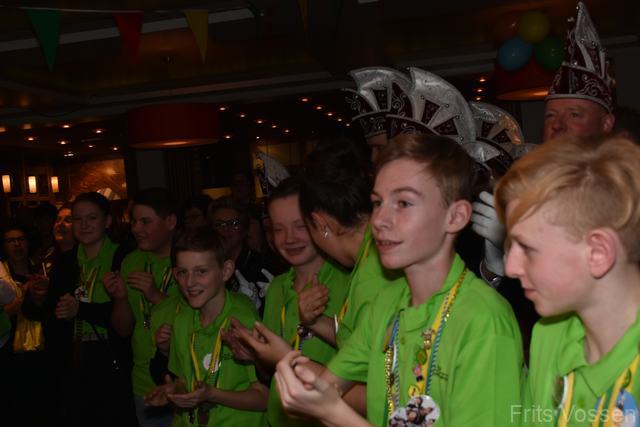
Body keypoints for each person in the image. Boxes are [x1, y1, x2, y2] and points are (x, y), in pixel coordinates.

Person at [274, 134, 524, 426]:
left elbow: (329, 404)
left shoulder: (483, 320)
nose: (379, 220)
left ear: (455, 217)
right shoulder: (387, 305)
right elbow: (324, 387)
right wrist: (297, 379)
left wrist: (334, 413)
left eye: (403, 203)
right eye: (377, 203)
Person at [494, 135, 640, 426]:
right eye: (510, 245)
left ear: (597, 253)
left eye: (527, 248)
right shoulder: (549, 335)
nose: (510, 268)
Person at [473, 1, 616, 282]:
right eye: (551, 115)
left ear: (606, 124)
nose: (557, 125)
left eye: (574, 115)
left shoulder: (626, 190)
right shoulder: (526, 190)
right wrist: (496, 266)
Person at [226, 177, 350, 427]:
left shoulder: (348, 284)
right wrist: (255, 355)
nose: (289, 238)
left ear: (320, 223)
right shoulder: (277, 288)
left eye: (300, 226)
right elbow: (272, 371)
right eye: (278, 229)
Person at [145, 227, 268, 426]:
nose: (189, 282)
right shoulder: (182, 319)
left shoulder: (243, 320)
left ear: (225, 271)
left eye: (201, 271)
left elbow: (263, 398)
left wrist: (212, 394)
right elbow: (185, 380)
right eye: (182, 272)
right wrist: (174, 392)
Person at [104, 187, 180, 427]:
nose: (136, 229)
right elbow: (123, 329)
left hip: (185, 377)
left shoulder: (190, 260)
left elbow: (201, 318)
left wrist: (156, 296)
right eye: (134, 222)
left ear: (170, 222)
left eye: (146, 222)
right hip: (143, 380)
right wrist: (120, 298)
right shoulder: (131, 261)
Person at [208, 196, 270, 310]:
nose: (226, 229)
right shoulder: (207, 264)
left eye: (234, 223)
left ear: (244, 228)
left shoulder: (259, 265)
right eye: (219, 224)